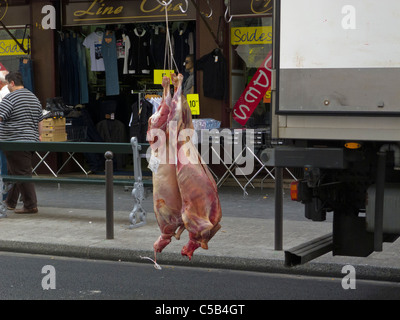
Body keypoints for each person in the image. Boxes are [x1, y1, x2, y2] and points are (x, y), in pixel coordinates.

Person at [0, 71, 44, 214]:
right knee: (15, 171)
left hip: (14, 141)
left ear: (12, 83)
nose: (7, 87)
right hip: (30, 140)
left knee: (22, 173)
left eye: (8, 84)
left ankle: (31, 205)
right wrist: (39, 136)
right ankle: (11, 202)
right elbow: (40, 120)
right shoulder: (34, 97)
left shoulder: (10, 98)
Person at [0, 71, 10, 201]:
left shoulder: (3, 93)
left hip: (4, 135)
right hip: (14, 137)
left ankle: (5, 196)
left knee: (4, 166)